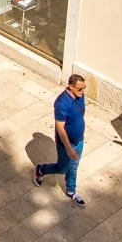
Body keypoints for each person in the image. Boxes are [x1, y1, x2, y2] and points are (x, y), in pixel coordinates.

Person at [33, 74, 88, 206]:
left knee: (74, 166)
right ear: (71, 86)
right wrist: (69, 149)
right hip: (65, 144)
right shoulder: (61, 103)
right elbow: (60, 128)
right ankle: (41, 170)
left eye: (84, 88)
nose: (82, 91)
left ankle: (71, 191)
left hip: (79, 140)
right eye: (80, 89)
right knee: (62, 168)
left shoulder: (80, 96)